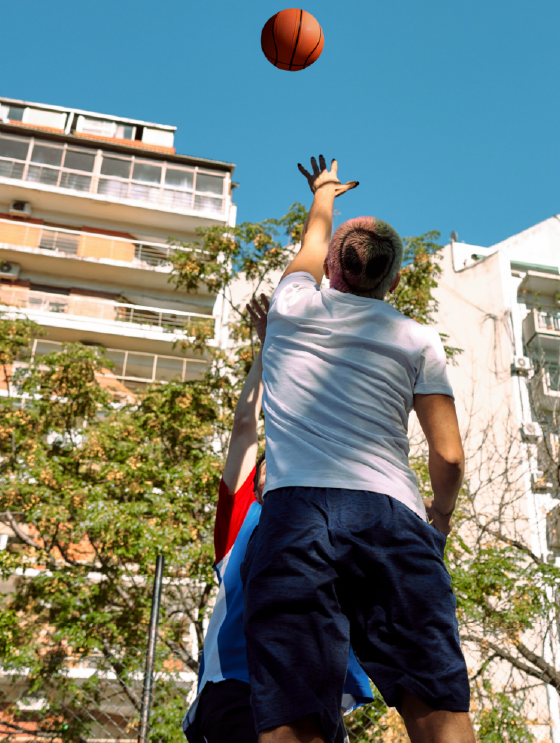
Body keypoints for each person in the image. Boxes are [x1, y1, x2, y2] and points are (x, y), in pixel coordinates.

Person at [243, 156, 475, 743]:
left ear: (326, 270)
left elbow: (315, 234)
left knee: (292, 718)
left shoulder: (290, 306)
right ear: (393, 283)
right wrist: (438, 521)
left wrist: (324, 193)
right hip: (389, 515)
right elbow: (447, 456)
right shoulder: (416, 337)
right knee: (437, 709)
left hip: (294, 516)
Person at [184, 295, 372, 743]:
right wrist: (273, 349)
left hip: (315, 699)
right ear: (259, 481)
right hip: (240, 690)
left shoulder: (331, 527)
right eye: (274, 464)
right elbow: (246, 425)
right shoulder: (243, 522)